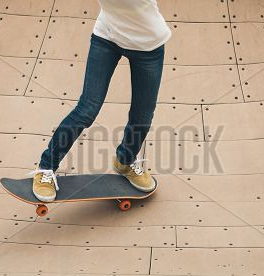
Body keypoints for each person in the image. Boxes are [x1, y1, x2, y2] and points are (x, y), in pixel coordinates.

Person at [30, 0, 171, 202]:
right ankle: (46, 167)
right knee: (87, 109)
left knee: (143, 114)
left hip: (148, 45)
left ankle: (125, 160)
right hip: (107, 37)